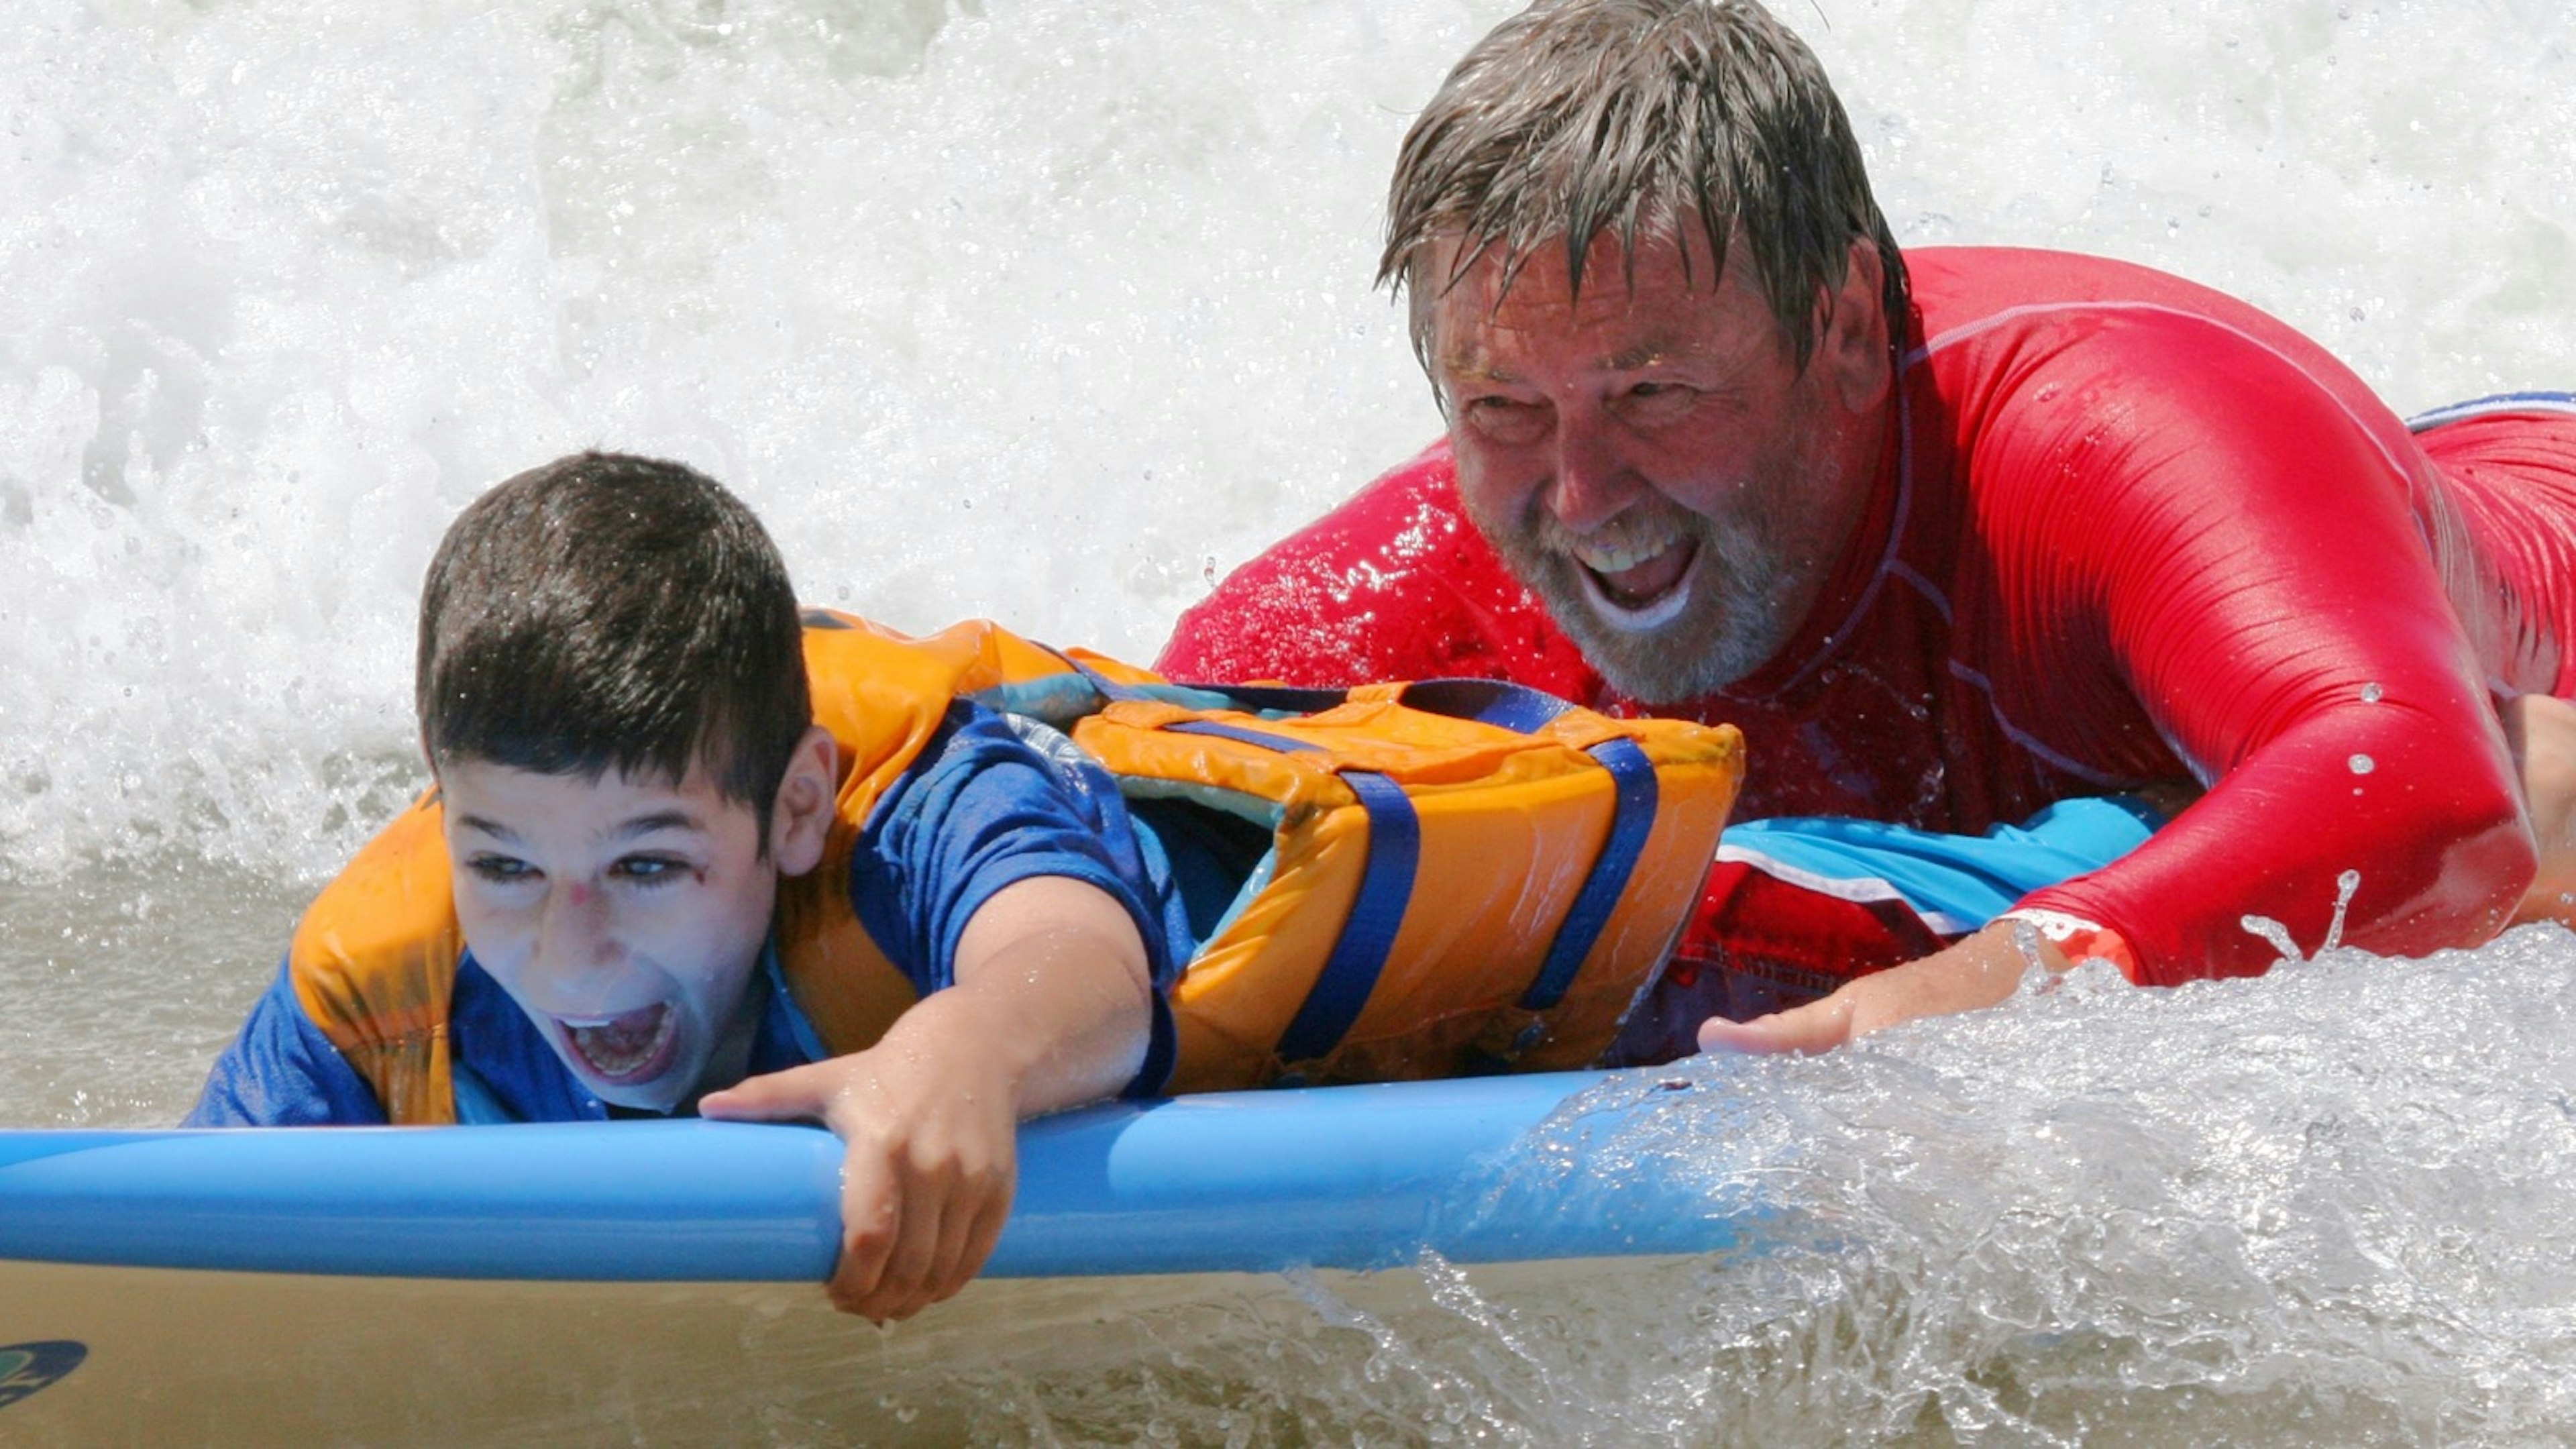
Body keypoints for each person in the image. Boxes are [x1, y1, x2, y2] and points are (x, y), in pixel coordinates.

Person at [1157, 0, 2576, 1053]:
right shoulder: (1453, 555)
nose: (1580, 498)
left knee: (2544, 790)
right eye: (1503, 407)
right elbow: (1150, 762)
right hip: (2361, 538)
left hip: (2513, 554)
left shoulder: (2100, 439)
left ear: (1841, 327)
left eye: (1655, 392)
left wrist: (1971, 1001)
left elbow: (2430, 790)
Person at [188, 450, 1755, 1318]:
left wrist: (960, 1053)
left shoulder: (922, 806)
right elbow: (175, 1249)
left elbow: (1073, 965)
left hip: (1628, 971)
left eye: (651, 868)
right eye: (506, 866)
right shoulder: (384, 977)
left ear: (795, 807)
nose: (571, 946)